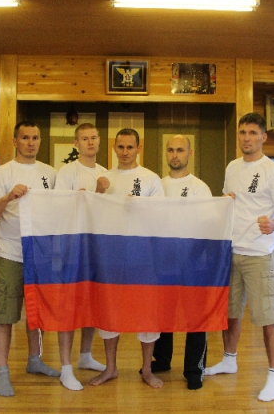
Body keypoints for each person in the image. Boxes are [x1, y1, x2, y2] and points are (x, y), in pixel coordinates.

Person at [204, 112, 274, 402]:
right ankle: (229, 360)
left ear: (263, 137)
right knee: (231, 313)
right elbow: (230, 202)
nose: (247, 138)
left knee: (268, 318)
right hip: (232, 252)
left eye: (253, 133)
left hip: (260, 255)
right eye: (243, 132)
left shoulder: (272, 171)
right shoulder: (232, 167)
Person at [0, 120, 60, 397]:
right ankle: (2, 371)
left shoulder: (50, 173)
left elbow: (59, 209)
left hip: (41, 254)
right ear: (15, 141)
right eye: (25, 137)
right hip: (10, 253)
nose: (31, 142)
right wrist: (7, 197)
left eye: (35, 137)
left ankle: (35, 360)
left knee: (37, 312)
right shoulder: (3, 173)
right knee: (4, 314)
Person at [89, 128, 165, 389]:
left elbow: (161, 216)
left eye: (129, 147)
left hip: (143, 254)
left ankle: (147, 369)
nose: (124, 152)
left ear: (138, 148)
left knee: (147, 312)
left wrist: (140, 206)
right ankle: (110, 367)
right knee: (109, 310)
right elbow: (92, 215)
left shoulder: (151, 179)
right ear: (114, 148)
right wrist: (98, 192)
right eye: (120, 147)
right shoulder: (104, 178)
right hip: (111, 254)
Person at [150, 134, 212, 390]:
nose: (175, 155)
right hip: (164, 259)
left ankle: (194, 369)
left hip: (193, 261)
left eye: (180, 150)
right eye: (171, 150)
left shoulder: (199, 187)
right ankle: (162, 359)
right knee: (163, 313)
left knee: (195, 318)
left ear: (190, 153)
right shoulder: (157, 185)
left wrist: (195, 255)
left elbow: (208, 225)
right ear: (166, 153)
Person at [53, 122, 108, 390]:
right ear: (76, 143)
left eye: (93, 137)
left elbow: (107, 213)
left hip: (96, 247)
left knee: (92, 303)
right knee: (68, 308)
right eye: (84, 138)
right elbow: (59, 207)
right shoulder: (67, 172)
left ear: (99, 140)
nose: (90, 142)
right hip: (71, 247)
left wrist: (100, 194)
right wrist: (90, 195)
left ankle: (85, 355)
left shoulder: (105, 173)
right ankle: (65, 368)